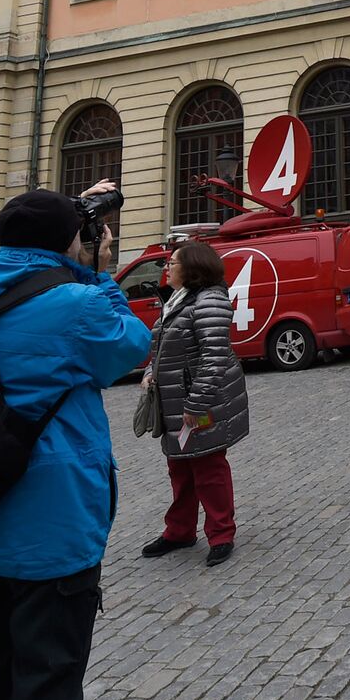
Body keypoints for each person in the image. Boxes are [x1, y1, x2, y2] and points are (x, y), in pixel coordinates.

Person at [0, 179, 151, 700]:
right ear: (69, 243)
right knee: (47, 684)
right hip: (48, 528)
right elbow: (132, 346)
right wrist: (100, 271)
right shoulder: (76, 303)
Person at [139, 242, 250, 567]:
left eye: (172, 263)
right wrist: (149, 373)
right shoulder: (179, 299)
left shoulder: (208, 301)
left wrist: (196, 403)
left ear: (192, 267)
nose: (167, 268)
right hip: (175, 401)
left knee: (208, 467)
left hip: (198, 405)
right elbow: (160, 348)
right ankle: (179, 531)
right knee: (180, 467)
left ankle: (221, 534)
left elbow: (214, 358)